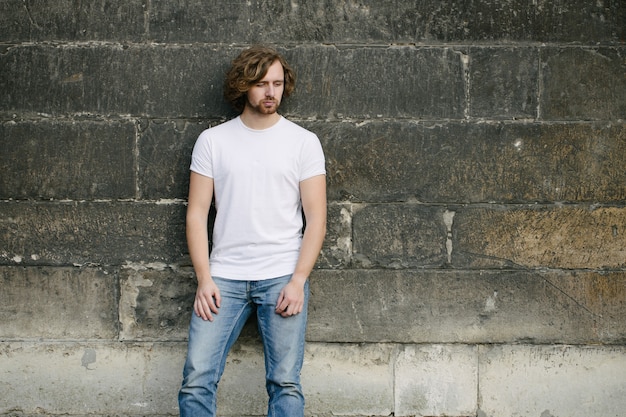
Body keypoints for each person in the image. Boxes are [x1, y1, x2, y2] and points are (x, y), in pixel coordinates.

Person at [178, 45, 327, 417]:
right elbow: (196, 214)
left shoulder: (303, 142)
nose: (270, 92)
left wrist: (298, 280)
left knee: (285, 383)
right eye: (261, 84)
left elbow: (317, 218)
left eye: (277, 83)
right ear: (244, 86)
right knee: (197, 378)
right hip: (223, 278)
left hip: (281, 275)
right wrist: (203, 278)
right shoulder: (213, 141)